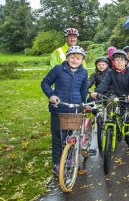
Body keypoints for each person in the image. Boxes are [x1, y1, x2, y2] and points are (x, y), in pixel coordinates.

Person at [90, 50, 129, 155]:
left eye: (121, 60)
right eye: (116, 60)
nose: (119, 62)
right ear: (113, 62)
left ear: (126, 62)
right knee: (111, 108)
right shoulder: (110, 72)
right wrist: (97, 92)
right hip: (118, 97)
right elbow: (105, 83)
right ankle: (114, 130)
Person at [41, 46, 88, 176]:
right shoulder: (58, 69)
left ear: (82, 60)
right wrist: (51, 95)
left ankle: (68, 159)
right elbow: (45, 82)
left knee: (71, 136)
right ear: (67, 57)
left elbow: (83, 90)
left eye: (78, 58)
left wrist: (83, 104)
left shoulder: (83, 73)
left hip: (74, 109)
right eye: (72, 57)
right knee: (58, 136)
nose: (75, 60)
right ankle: (56, 163)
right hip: (58, 108)